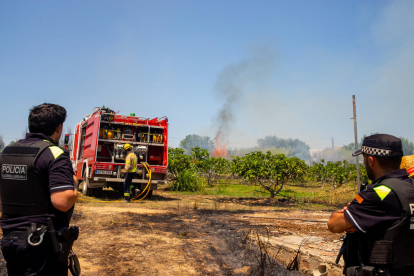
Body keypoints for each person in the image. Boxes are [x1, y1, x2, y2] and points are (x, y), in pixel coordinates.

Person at [0, 103, 79, 276]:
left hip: (10, 239)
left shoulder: (7, 152)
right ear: (58, 127)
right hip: (41, 245)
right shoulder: (54, 154)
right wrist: (74, 183)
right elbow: (62, 202)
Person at [327, 134, 414, 276]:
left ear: (371, 160)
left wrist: (350, 212)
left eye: (364, 159)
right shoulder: (410, 186)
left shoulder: (380, 193)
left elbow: (334, 224)